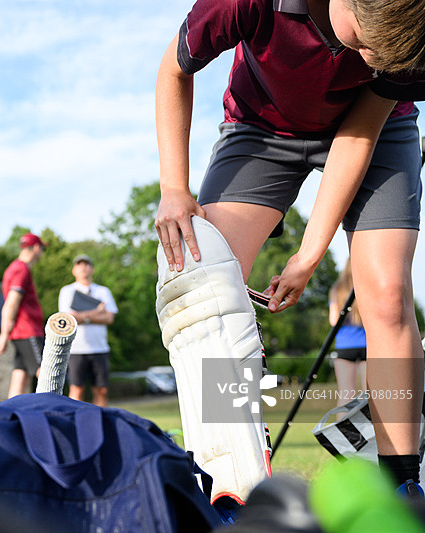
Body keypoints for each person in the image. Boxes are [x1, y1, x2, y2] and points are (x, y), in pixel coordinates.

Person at [154, 0, 425, 494]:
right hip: (262, 127)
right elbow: (173, 68)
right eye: (365, 43)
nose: (367, 62)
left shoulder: (408, 31)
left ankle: (404, 484)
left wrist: (309, 253)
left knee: (385, 294)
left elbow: (358, 134)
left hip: (374, 131)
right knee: (207, 285)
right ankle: (229, 475)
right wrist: (174, 187)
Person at [57, 254, 118, 406]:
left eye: (86, 264)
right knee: (77, 390)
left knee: (102, 391)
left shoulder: (103, 291)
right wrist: (97, 312)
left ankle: (100, 425)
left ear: (92, 269)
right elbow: (68, 319)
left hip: (100, 348)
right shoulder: (67, 291)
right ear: (74, 270)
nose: (83, 267)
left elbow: (109, 318)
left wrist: (83, 316)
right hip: (76, 350)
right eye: (79, 264)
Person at [0, 233, 47, 398]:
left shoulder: (13, 268)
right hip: (28, 331)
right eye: (42, 249)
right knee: (46, 374)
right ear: (37, 248)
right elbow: (11, 304)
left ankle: (9, 417)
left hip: (20, 333)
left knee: (20, 376)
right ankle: (54, 413)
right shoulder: (22, 269)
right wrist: (3, 335)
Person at [329, 259, 367, 417]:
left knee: (346, 393)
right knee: (369, 394)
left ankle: (343, 437)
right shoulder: (366, 288)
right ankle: (372, 435)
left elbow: (333, 321)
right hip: (368, 346)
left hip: (344, 346)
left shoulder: (337, 289)